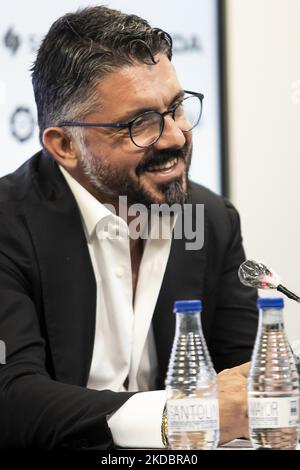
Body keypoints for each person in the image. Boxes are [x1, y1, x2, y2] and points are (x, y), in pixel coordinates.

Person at [0, 6, 258, 449]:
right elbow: (13, 400)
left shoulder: (212, 219)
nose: (175, 137)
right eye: (140, 123)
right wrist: (178, 415)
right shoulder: (7, 223)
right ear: (64, 145)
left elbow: (243, 383)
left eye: (176, 108)